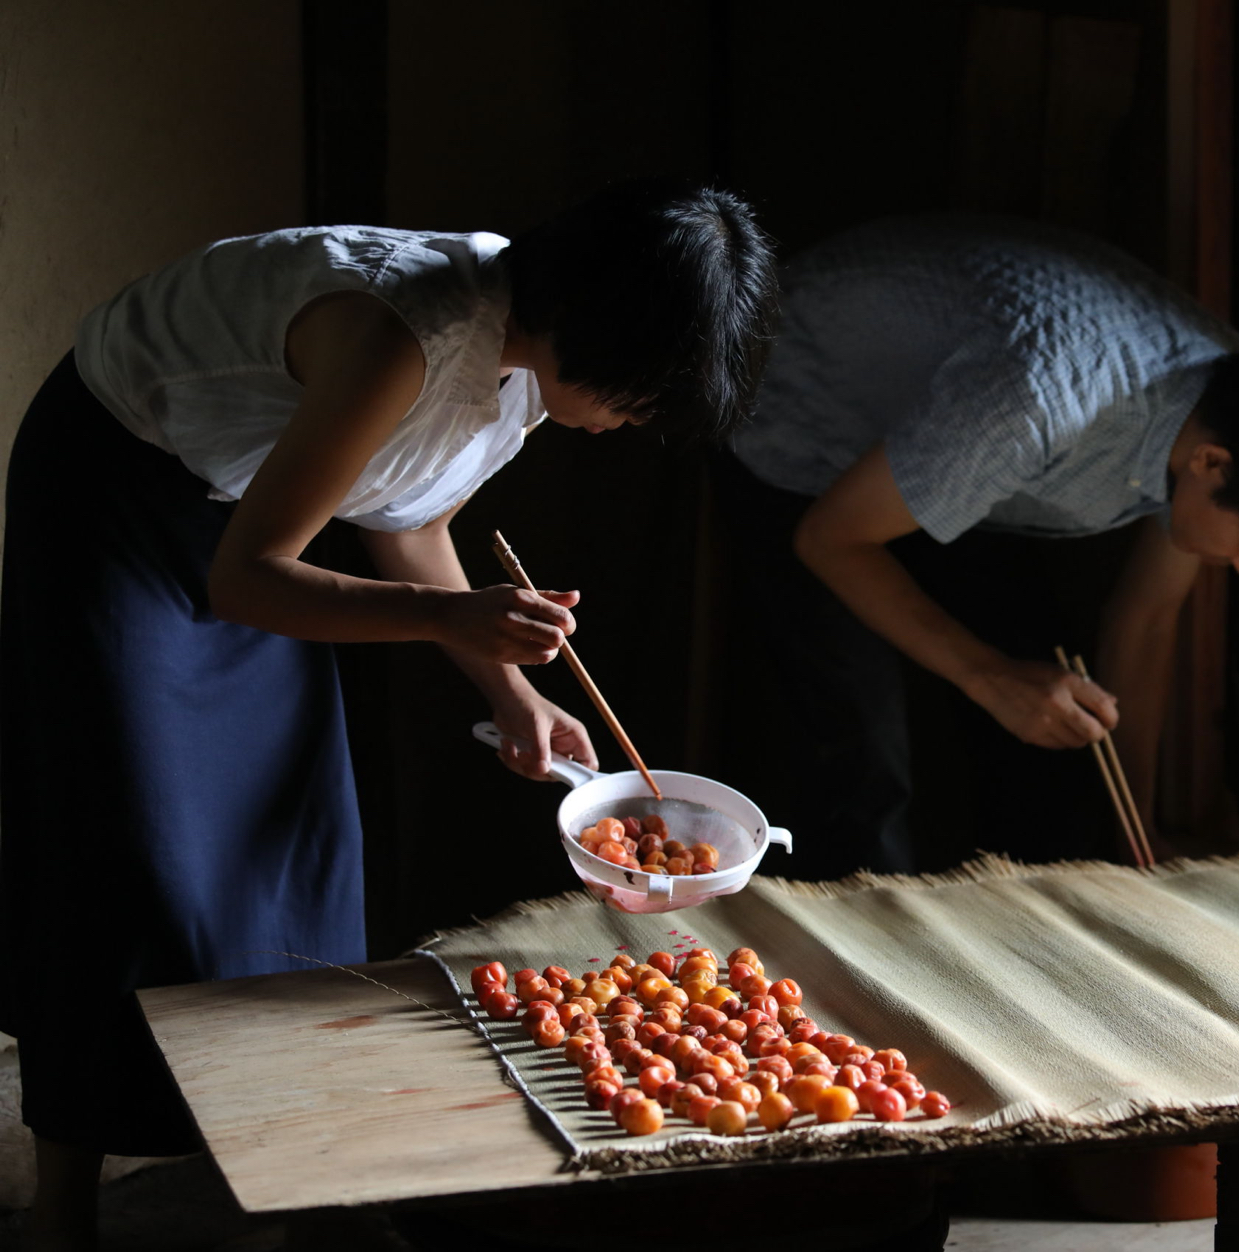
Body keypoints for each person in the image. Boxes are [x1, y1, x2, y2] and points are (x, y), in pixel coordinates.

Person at [0, 178, 776, 1250]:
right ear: (597, 329)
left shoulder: (521, 356)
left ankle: (304, 1177)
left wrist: (513, 692)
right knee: (134, 861)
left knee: (302, 842)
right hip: (121, 497)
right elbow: (250, 582)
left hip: (253, 516)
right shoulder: (401, 336)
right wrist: (459, 617)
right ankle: (63, 1208)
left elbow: (407, 519)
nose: (633, 421)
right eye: (642, 394)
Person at [722, 215, 1239, 879]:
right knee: (867, 765)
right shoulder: (1042, 399)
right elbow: (830, 539)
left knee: (1054, 722)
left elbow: (1142, 623)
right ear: (1212, 465)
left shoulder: (1236, 412)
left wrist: (1133, 833)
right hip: (800, 423)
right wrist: (985, 675)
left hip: (948, 450)